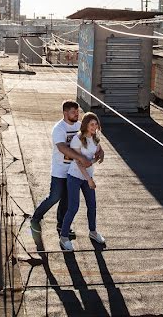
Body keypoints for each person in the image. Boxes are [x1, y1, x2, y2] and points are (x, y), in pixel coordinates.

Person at [29, 100, 102, 237]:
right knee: (55, 197)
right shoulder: (59, 128)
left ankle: (61, 225)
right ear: (65, 113)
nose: (77, 114)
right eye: (73, 112)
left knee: (67, 200)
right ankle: (35, 219)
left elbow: (92, 138)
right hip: (60, 170)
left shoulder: (80, 126)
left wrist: (100, 151)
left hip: (75, 171)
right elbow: (62, 147)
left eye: (78, 111)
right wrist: (81, 158)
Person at [59, 111, 106, 251]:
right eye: (92, 124)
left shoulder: (96, 138)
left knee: (92, 205)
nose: (94, 127)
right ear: (85, 125)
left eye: (96, 124)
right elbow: (79, 162)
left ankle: (93, 232)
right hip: (75, 176)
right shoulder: (77, 139)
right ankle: (64, 237)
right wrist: (89, 180)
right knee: (73, 207)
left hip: (88, 176)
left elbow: (96, 153)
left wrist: (99, 155)